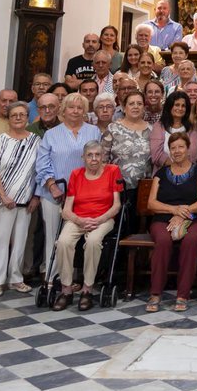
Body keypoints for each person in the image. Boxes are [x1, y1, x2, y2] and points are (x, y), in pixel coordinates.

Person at [35, 93, 101, 276]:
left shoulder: (93, 131)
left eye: (80, 107)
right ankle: (52, 278)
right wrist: (52, 186)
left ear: (85, 111)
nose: (75, 111)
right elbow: (42, 163)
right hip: (53, 194)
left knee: (74, 238)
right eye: (71, 107)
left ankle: (73, 278)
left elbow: (98, 161)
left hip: (83, 195)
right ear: (63, 110)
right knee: (54, 238)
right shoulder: (51, 134)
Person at [52, 142, 122, 311]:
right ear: (83, 157)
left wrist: (99, 219)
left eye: (98, 155)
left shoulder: (112, 171)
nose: (94, 159)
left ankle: (87, 289)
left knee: (93, 241)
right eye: (90, 155)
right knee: (63, 242)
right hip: (78, 219)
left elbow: (116, 205)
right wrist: (78, 220)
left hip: (103, 219)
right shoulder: (76, 174)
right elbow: (67, 209)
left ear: (103, 156)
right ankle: (66, 290)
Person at [146, 134, 197, 312]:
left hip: (192, 218)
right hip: (162, 218)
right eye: (173, 148)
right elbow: (152, 203)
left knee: (190, 241)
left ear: (188, 149)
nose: (177, 151)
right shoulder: (161, 174)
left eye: (181, 147)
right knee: (163, 241)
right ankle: (156, 293)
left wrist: (183, 213)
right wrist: (173, 210)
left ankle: (183, 294)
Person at [0, 101, 39, 296]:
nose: (18, 117)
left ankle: (16, 278)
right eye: (14, 115)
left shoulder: (35, 140)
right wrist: (3, 196)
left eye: (22, 114)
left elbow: (38, 171)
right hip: (2, 202)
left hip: (25, 202)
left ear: (27, 117)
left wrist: (36, 196)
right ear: (8, 118)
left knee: (20, 242)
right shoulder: (0, 140)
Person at [101, 90, 152, 225]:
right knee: (119, 228)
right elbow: (103, 160)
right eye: (131, 103)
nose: (135, 106)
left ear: (144, 107)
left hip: (144, 190)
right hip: (118, 189)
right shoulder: (113, 128)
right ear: (124, 107)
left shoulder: (152, 130)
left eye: (139, 103)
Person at [150, 90, 197, 170]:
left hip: (188, 173)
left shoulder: (192, 128)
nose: (180, 108)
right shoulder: (158, 126)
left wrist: (182, 170)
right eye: (177, 105)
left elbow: (192, 154)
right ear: (169, 106)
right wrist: (175, 168)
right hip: (163, 173)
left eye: (183, 106)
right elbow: (156, 155)